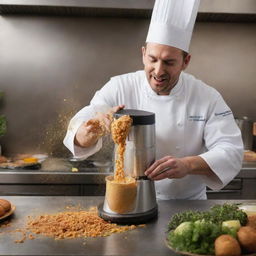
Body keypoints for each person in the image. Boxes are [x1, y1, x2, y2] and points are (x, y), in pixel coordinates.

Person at [64, 0, 243, 200]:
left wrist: (187, 164)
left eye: (169, 62)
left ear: (186, 62)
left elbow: (231, 151)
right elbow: (81, 126)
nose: (158, 71)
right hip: (127, 200)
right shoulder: (120, 86)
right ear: (143, 54)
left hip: (186, 206)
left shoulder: (206, 97)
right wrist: (91, 129)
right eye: (152, 59)